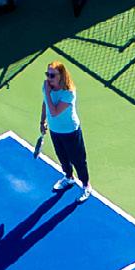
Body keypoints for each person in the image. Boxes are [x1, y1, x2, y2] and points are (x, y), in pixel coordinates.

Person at [35, 60, 91, 200]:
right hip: (55, 131)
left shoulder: (68, 92)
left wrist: (47, 93)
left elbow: (54, 112)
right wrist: (42, 121)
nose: (49, 78)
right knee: (63, 158)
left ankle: (86, 185)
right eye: (47, 74)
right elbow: (45, 104)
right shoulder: (47, 87)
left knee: (78, 160)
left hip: (70, 131)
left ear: (61, 75)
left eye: (52, 75)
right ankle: (69, 178)